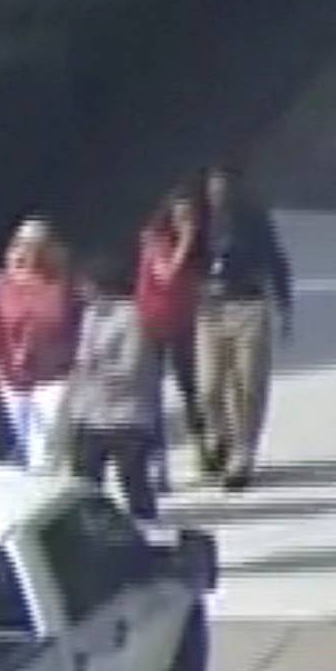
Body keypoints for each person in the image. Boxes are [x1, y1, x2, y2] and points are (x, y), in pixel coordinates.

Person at [195, 165, 294, 491]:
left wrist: (283, 306)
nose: (215, 191)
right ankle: (220, 433)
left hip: (247, 305)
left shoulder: (251, 220)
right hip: (210, 308)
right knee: (209, 386)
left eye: (221, 184)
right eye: (211, 184)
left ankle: (243, 452)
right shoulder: (197, 220)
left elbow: (276, 260)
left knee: (247, 384)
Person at [0, 217, 79, 473]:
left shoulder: (63, 282)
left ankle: (42, 485)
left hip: (54, 377)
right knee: (25, 442)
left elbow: (79, 322)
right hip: (13, 378)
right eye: (21, 244)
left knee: (46, 448)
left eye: (33, 245)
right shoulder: (2, 283)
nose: (24, 251)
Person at [69, 259, 165, 522]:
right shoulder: (89, 315)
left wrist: (97, 370)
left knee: (132, 479)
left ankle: (146, 526)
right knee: (85, 479)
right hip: (91, 413)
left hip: (127, 415)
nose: (79, 289)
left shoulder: (133, 317)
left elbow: (132, 367)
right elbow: (81, 357)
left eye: (85, 283)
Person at [134, 187, 206, 492]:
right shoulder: (156, 240)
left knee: (191, 389)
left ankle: (203, 451)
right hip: (152, 324)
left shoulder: (196, 248)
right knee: (152, 396)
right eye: (180, 215)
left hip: (183, 324)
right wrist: (186, 239)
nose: (185, 220)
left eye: (189, 216)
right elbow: (167, 274)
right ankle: (158, 465)